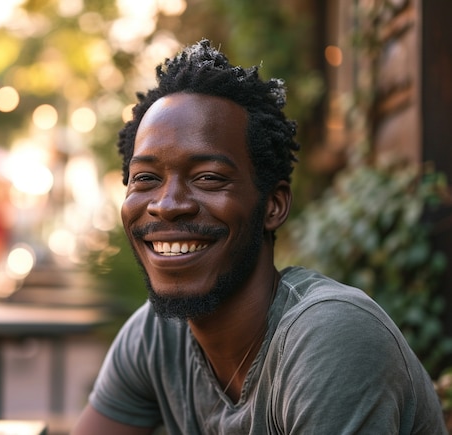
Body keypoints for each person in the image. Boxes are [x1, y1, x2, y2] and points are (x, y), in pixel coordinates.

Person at [71, 39, 446, 434]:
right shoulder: (157, 336)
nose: (167, 205)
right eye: (146, 178)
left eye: (208, 177)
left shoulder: (332, 337)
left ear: (273, 205)